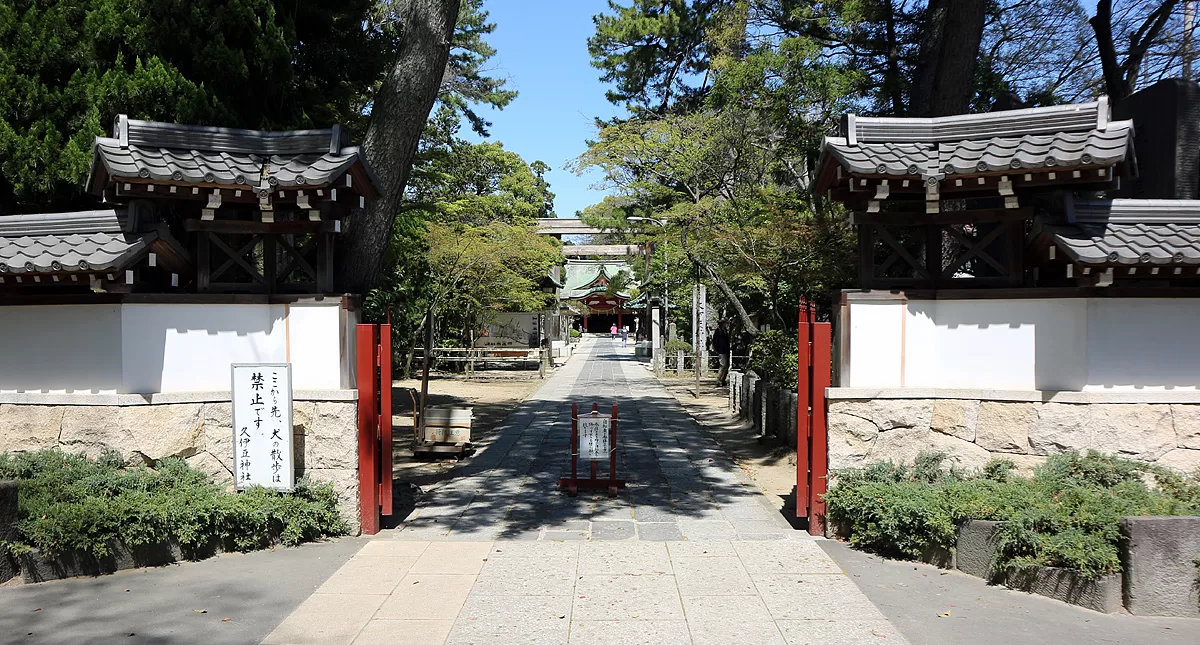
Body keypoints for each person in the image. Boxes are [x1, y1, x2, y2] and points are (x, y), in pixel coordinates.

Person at [712, 320, 731, 387]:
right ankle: (719, 380)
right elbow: (715, 341)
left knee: (726, 366)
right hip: (721, 350)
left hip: (726, 350)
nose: (725, 325)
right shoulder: (718, 331)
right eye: (724, 323)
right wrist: (717, 349)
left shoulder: (725, 331)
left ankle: (723, 379)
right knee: (722, 365)